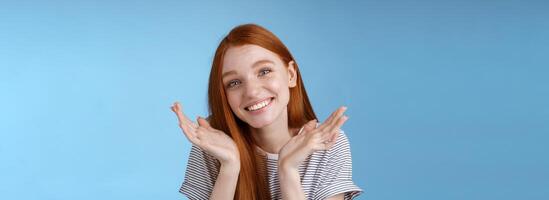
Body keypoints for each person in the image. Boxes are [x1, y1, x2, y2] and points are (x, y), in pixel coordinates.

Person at [170, 23, 362, 200]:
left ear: (290, 75)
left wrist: (287, 171)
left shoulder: (326, 144)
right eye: (234, 83)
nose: (252, 92)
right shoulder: (212, 146)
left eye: (264, 71)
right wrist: (229, 166)